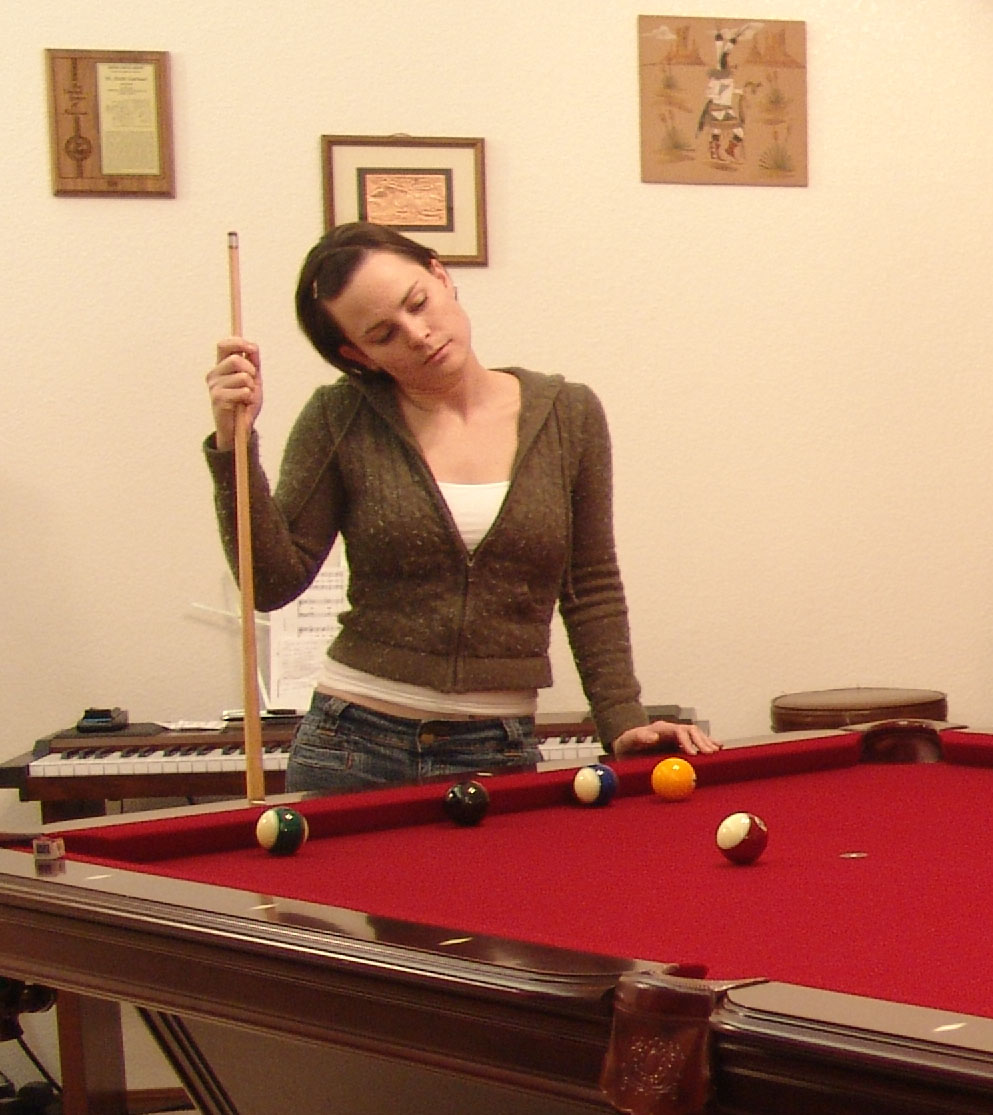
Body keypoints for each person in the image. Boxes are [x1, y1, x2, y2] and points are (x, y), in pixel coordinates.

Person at [204, 221, 718, 794]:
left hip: (497, 746)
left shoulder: (568, 414)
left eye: (418, 302)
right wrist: (232, 446)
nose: (418, 334)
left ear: (440, 274)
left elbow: (590, 583)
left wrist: (622, 719)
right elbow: (270, 584)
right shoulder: (338, 418)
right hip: (353, 746)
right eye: (384, 334)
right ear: (357, 354)